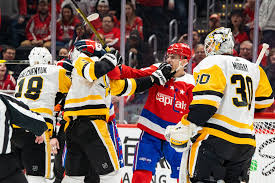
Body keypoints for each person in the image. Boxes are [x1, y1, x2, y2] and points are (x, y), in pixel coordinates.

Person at [165, 27, 274, 183]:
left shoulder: (212, 62)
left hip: (215, 140)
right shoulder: (254, 68)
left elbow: (205, 105)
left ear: (216, 45)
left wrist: (185, 125)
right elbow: (265, 101)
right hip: (246, 143)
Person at [61, 39, 173, 183]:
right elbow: (93, 71)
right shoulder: (83, 60)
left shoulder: (103, 76)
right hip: (92, 123)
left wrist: (153, 79)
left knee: (74, 177)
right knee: (111, 174)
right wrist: (111, 56)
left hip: (74, 126)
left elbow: (131, 85)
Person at [127, 43, 194, 183]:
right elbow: (135, 74)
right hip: (151, 133)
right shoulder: (158, 69)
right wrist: (117, 67)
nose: (169, 60)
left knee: (183, 176)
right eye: (168, 56)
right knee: (140, 174)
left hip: (178, 136)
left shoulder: (191, 83)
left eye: (174, 57)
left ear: (185, 61)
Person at [12, 47, 71, 183]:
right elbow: (72, 87)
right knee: (36, 176)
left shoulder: (22, 73)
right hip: (37, 127)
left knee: (16, 175)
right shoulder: (55, 70)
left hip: (15, 128)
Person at [0, 92, 48, 183]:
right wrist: (39, 128)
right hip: (4, 162)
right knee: (34, 175)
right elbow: (30, 117)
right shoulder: (2, 99)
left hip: (15, 139)